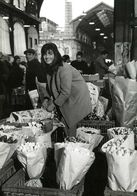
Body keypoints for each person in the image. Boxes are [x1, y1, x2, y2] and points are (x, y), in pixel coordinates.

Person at [41, 43, 92, 137]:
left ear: (55, 54)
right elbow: (49, 86)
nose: (47, 56)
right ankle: (68, 143)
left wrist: (53, 105)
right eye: (44, 54)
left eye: (50, 53)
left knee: (68, 121)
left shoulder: (64, 68)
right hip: (67, 97)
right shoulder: (49, 68)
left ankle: (71, 144)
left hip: (76, 98)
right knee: (63, 121)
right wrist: (46, 98)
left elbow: (65, 92)